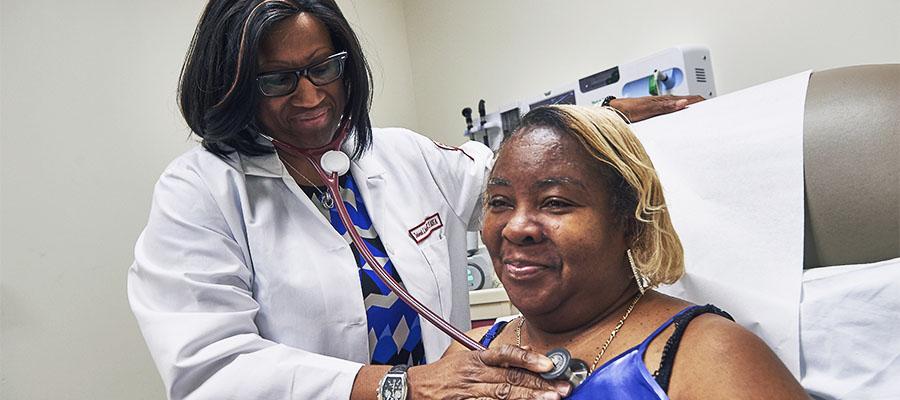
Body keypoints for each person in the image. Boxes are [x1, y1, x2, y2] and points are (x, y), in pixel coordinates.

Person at [127, 1, 701, 399]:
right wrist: (404, 388)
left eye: (323, 68)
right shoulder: (201, 192)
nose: (310, 95)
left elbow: (506, 181)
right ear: (230, 85)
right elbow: (211, 369)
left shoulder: (401, 155)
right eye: (278, 79)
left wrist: (598, 126)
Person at [448, 105, 809, 399]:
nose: (516, 227)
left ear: (630, 222)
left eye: (555, 203)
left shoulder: (710, 353)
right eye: (500, 202)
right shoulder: (468, 356)